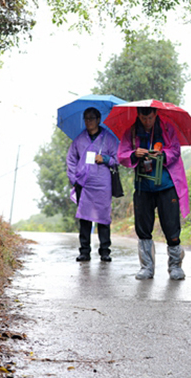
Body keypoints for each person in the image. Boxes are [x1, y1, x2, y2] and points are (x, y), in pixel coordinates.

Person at [118, 107, 189, 281]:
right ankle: (146, 267)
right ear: (138, 115)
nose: (147, 122)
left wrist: (162, 154)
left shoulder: (167, 128)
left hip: (166, 185)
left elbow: (175, 150)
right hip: (143, 187)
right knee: (143, 228)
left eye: (150, 118)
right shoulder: (131, 131)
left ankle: (175, 266)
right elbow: (122, 155)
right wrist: (134, 154)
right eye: (144, 118)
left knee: (172, 227)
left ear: (155, 114)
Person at [66, 108, 119, 263]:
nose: (88, 121)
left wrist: (105, 159)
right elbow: (71, 160)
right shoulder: (79, 140)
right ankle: (84, 251)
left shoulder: (108, 139)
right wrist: (74, 179)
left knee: (103, 217)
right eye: (86, 118)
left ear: (98, 119)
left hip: (103, 183)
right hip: (83, 184)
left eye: (91, 118)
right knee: (84, 218)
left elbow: (117, 159)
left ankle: (105, 251)